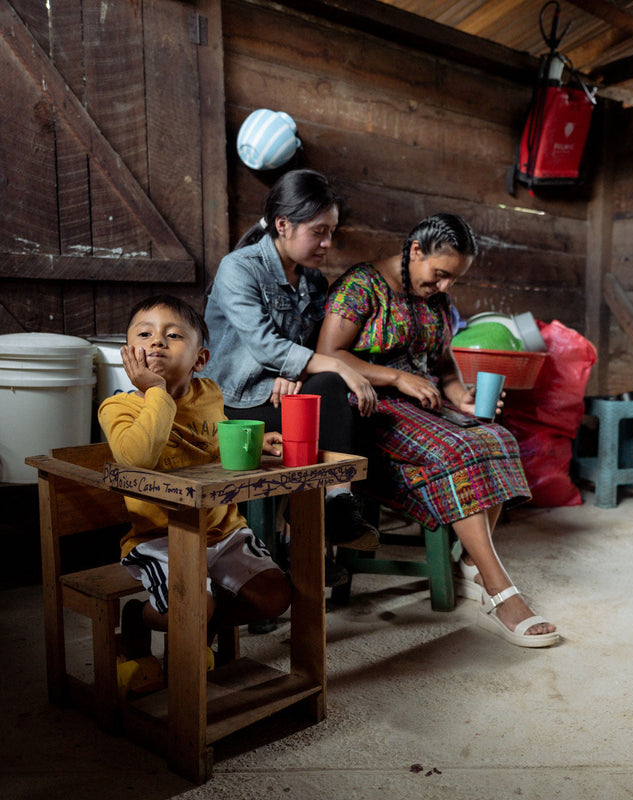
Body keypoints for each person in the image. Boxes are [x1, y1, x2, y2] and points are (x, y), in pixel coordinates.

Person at [317, 213, 559, 648]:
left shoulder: (438, 303)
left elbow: (444, 368)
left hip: (425, 406)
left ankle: (471, 558)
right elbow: (328, 353)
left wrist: (462, 396)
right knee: (460, 450)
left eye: (453, 279)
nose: (445, 286)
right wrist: (394, 378)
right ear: (414, 252)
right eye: (440, 274)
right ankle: (499, 590)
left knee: (496, 437)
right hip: (372, 410)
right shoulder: (361, 288)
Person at [98, 294, 292, 669]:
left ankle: (201, 623)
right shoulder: (119, 407)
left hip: (222, 530)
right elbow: (136, 460)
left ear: (200, 360)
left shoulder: (209, 394)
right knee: (189, 608)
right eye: (144, 334)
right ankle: (140, 617)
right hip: (161, 538)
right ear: (128, 354)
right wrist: (156, 391)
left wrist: (256, 445)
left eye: (173, 335)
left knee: (275, 596)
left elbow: (214, 447)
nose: (157, 341)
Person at [203, 169, 379, 581]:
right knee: (333, 381)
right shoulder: (239, 269)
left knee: (331, 399)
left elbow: (304, 351)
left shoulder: (313, 282)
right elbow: (268, 347)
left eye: (332, 232)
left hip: (282, 396)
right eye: (319, 232)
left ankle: (322, 521)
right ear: (283, 225)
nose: (327, 243)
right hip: (237, 408)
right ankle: (300, 543)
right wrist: (330, 363)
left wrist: (296, 374)